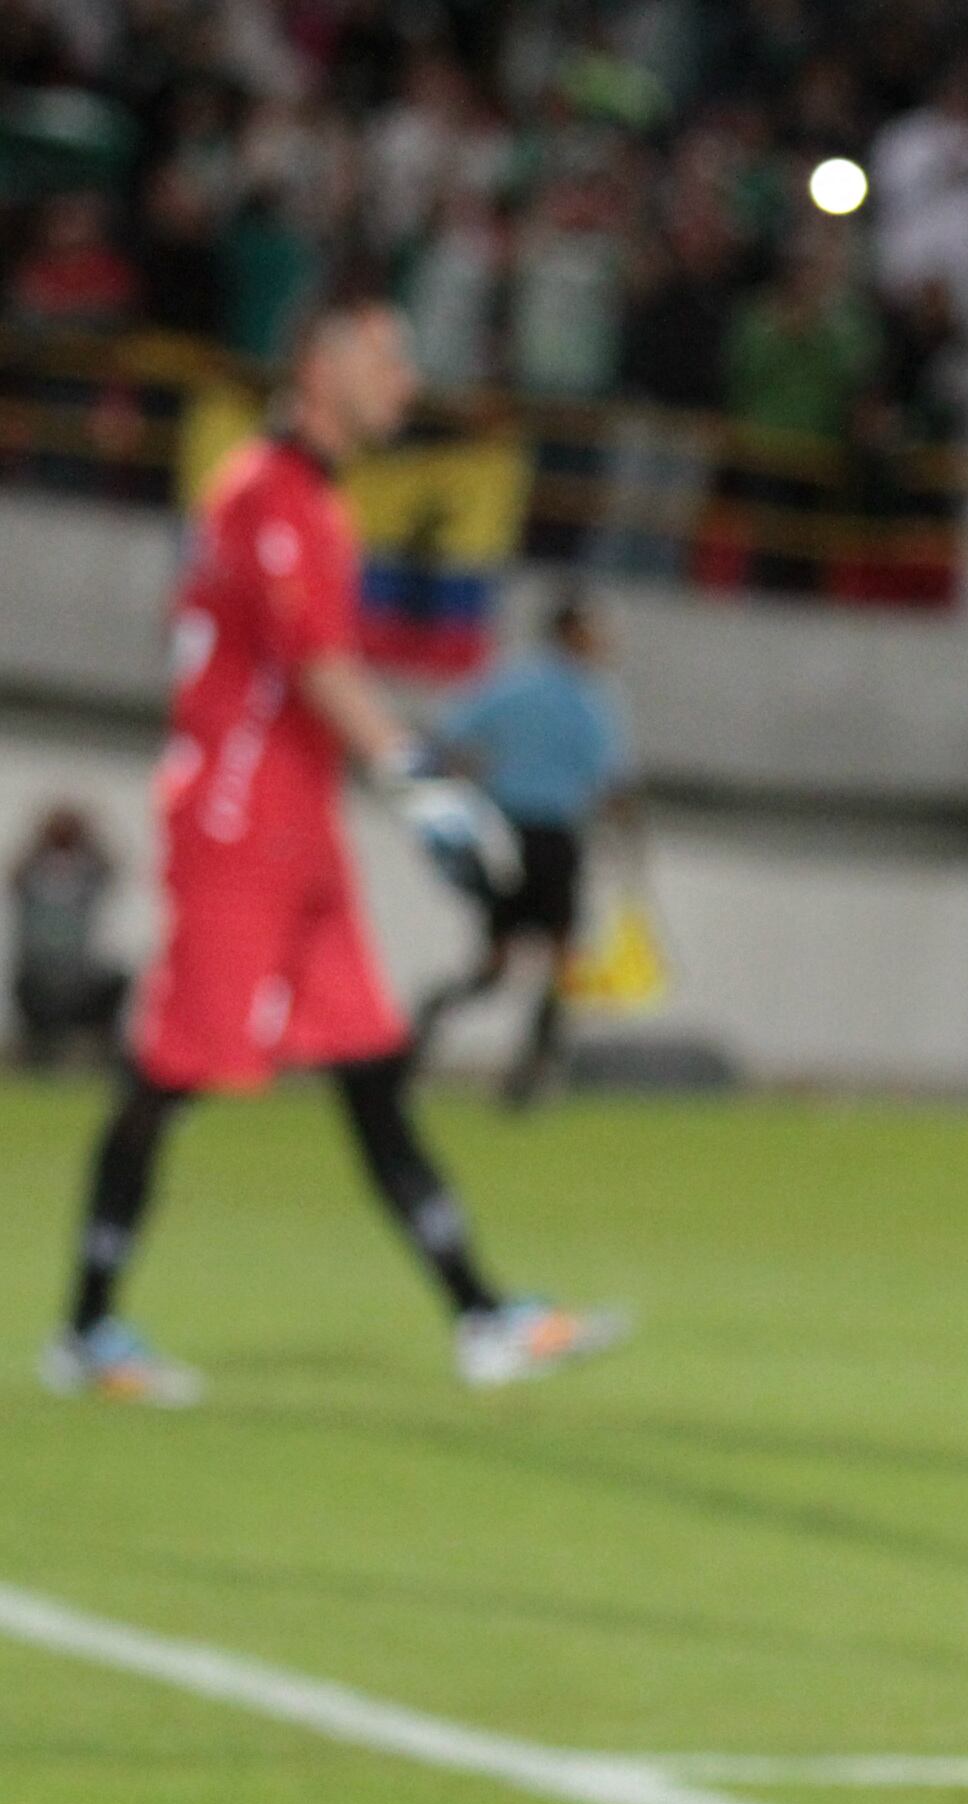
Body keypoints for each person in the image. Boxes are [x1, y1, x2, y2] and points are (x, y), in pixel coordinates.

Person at [41, 280, 627, 1408]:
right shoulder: (266, 493)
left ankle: (481, 1315)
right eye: (386, 358)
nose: (406, 381)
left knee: (369, 1068)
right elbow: (315, 664)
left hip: (299, 825)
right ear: (320, 367)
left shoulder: (314, 500)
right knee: (170, 1072)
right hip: (237, 824)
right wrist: (420, 784)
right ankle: (87, 1330)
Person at [411, 586, 637, 1109]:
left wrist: (458, 796)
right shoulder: (590, 700)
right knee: (562, 960)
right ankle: (532, 1073)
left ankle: (428, 1023)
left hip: (504, 834)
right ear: (570, 632)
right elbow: (613, 784)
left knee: (494, 963)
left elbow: (447, 737)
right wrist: (626, 840)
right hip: (555, 839)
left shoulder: (509, 684)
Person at [10, 805, 130, 1069]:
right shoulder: (34, 871)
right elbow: (14, 876)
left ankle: (103, 1057)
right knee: (24, 986)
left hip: (81, 977)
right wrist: (41, 840)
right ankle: (36, 1054)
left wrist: (87, 836)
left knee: (119, 981)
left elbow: (111, 870)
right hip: (37, 977)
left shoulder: (86, 871)